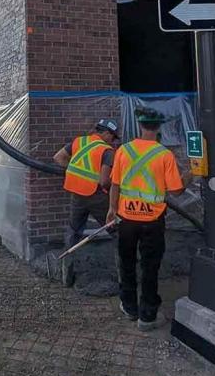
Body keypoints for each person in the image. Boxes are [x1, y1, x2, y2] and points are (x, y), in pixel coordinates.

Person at [106, 108, 185, 331]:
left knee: (127, 262)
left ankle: (129, 307)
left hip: (126, 219)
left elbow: (115, 184)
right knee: (150, 266)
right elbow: (177, 191)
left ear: (140, 126)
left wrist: (112, 209)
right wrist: (192, 174)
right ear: (159, 127)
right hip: (153, 221)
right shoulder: (164, 155)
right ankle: (147, 316)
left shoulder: (123, 150)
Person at [54, 119, 119, 254]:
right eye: (113, 137)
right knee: (115, 228)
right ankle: (125, 262)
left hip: (76, 194)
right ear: (107, 133)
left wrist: (75, 172)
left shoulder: (79, 141)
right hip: (97, 196)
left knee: (73, 230)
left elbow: (58, 157)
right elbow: (104, 181)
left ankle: (67, 264)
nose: (113, 141)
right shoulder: (107, 151)